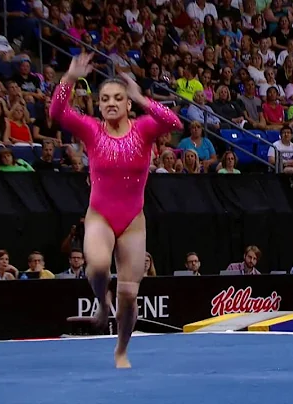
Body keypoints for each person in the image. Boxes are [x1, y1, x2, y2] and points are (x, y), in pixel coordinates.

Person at [50, 53, 182, 368]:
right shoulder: (91, 130)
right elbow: (57, 112)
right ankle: (100, 303)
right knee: (96, 267)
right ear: (99, 104)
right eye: (105, 98)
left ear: (126, 104)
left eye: (118, 98)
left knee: (129, 294)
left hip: (133, 221)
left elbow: (173, 123)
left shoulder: (144, 130)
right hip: (100, 215)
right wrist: (68, 79)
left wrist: (142, 97)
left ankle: (121, 350)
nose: (111, 103)